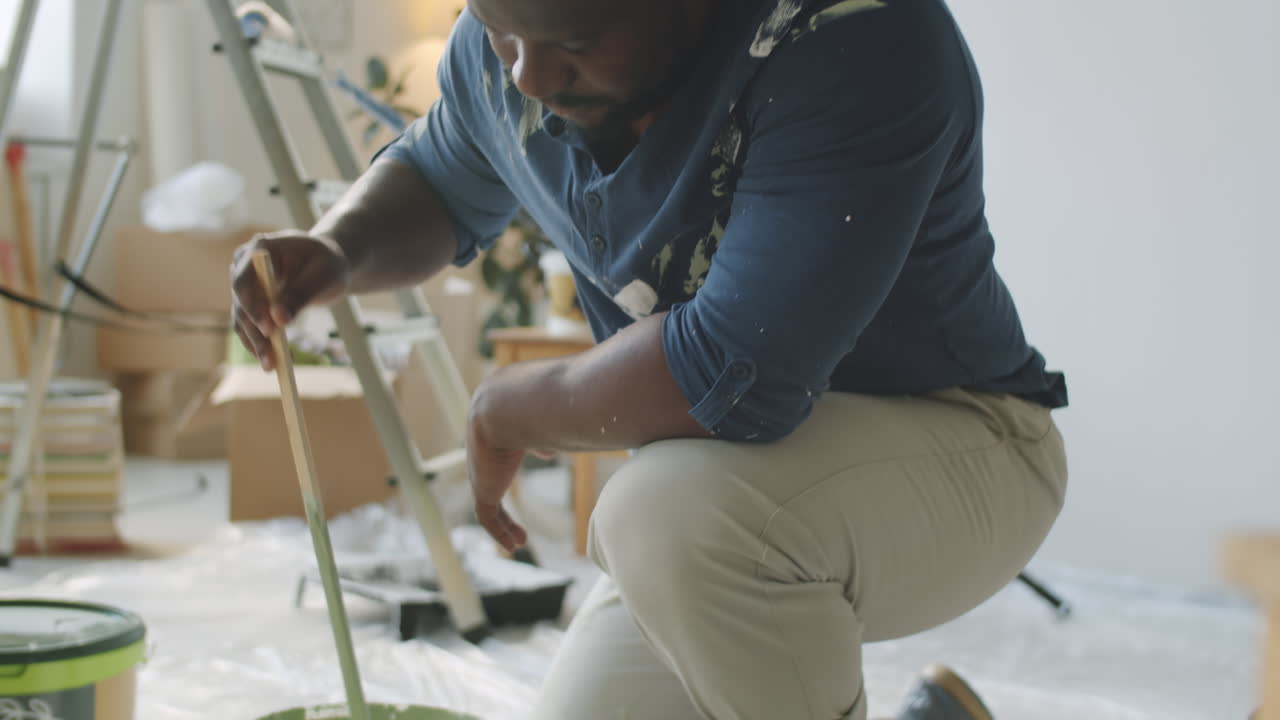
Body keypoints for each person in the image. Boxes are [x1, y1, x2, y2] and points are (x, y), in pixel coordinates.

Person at [230, 0, 1069, 717]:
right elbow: (445, 172)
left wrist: (508, 405)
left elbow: (737, 375)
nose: (525, 74)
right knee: (672, 517)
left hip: (962, 444)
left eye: (576, 39)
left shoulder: (855, 38)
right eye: (495, 27)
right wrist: (335, 248)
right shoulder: (523, 42)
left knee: (661, 515)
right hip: (726, 489)